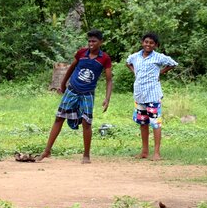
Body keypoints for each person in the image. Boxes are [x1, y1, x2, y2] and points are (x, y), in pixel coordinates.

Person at [36, 29, 113, 164]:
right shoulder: (81, 53)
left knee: (86, 122)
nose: (91, 44)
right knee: (59, 118)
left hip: (88, 93)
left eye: (94, 41)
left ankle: (86, 155)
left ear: (101, 42)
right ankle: (47, 151)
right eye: (89, 41)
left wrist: (107, 98)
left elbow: (108, 80)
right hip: (72, 90)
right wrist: (63, 84)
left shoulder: (104, 58)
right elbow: (71, 68)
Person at [126, 33, 177, 161]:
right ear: (142, 42)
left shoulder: (158, 57)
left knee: (155, 123)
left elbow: (173, 63)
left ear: (155, 45)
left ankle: (156, 153)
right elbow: (128, 62)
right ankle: (144, 151)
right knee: (143, 123)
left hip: (153, 95)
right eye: (146, 42)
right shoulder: (135, 56)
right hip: (139, 95)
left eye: (151, 43)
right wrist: (135, 72)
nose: (148, 44)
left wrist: (161, 72)